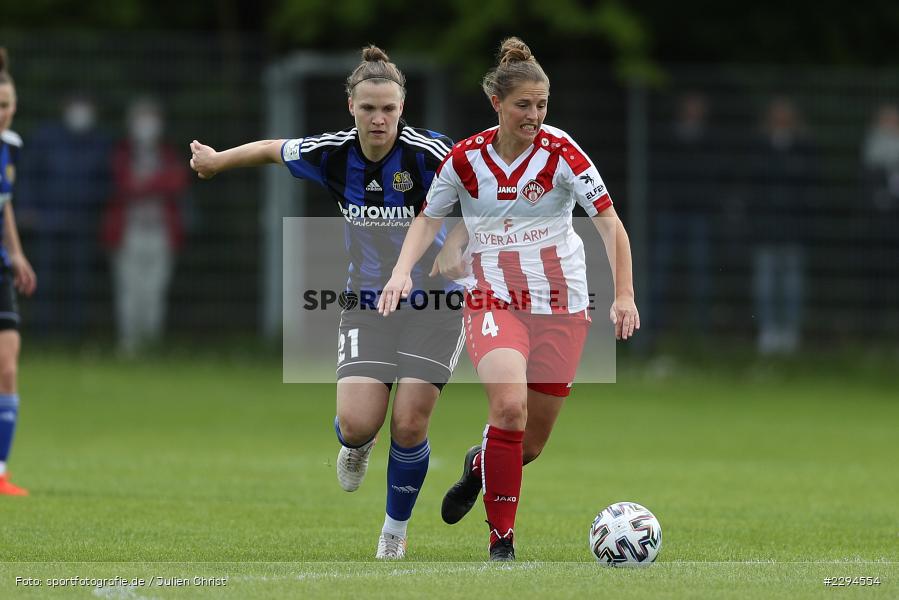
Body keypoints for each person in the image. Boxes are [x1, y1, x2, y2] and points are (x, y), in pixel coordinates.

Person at [189, 46, 463, 559]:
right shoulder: (334, 153)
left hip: (437, 305)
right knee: (359, 422)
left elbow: (478, 191)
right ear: (351, 108)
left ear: (403, 109)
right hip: (367, 301)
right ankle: (356, 444)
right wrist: (217, 161)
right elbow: (274, 149)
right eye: (368, 109)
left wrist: (454, 242)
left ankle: (393, 534)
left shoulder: (430, 153)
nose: (379, 119)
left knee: (409, 422)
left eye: (389, 109)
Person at [379, 37, 640, 561]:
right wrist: (401, 272)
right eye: (524, 105)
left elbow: (610, 224)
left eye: (542, 105)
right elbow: (429, 218)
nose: (535, 115)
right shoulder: (465, 159)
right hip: (492, 300)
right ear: (496, 103)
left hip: (563, 307)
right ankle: (502, 543)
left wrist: (624, 295)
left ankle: (480, 466)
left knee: (530, 444)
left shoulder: (563, 152)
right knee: (509, 406)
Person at [15, 93, 110, 339]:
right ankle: (44, 332)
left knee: (79, 281)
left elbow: (105, 185)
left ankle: (74, 334)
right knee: (44, 278)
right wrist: (28, 209)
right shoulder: (47, 138)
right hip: (48, 222)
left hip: (82, 224)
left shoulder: (99, 143)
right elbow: (29, 175)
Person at [101, 98, 189, 356]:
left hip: (161, 233)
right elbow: (124, 184)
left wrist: (144, 184)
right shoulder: (121, 153)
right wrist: (156, 183)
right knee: (129, 290)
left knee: (155, 290)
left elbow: (177, 182)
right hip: (127, 233)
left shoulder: (168, 154)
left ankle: (151, 342)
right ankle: (129, 344)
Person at [748, 97, 817, 355]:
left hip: (793, 228)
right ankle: (767, 331)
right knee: (765, 283)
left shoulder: (803, 145)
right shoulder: (760, 145)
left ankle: (790, 332)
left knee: (792, 284)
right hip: (765, 228)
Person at [0, 47, 38, 496]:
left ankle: (2, 471)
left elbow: (4, 205)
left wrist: (18, 254)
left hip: (1, 265)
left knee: (8, 366)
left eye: (7, 105)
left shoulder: (10, 150)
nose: (2, 113)